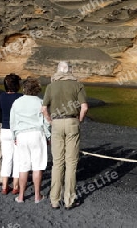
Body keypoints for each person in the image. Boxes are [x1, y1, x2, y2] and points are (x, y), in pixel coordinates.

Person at [42, 61, 88, 210]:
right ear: (70, 70)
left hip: (56, 123)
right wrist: (79, 120)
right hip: (72, 122)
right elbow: (84, 107)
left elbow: (43, 108)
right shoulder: (77, 85)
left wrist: (49, 120)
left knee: (57, 163)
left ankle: (54, 199)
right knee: (71, 163)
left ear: (58, 71)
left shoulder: (51, 86)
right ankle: (69, 200)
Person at [10, 78, 51, 204]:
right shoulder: (40, 102)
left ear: (24, 88)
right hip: (36, 134)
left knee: (23, 166)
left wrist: (14, 136)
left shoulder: (17, 102)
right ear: (37, 89)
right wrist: (48, 136)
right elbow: (46, 122)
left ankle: (21, 196)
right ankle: (37, 196)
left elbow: (13, 122)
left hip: (22, 135)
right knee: (37, 166)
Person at [0, 73, 22, 195]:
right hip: (16, 130)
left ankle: (4, 186)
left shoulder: (2, 96)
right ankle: (15, 186)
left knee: (6, 158)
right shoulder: (20, 97)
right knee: (17, 159)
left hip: (4, 129)